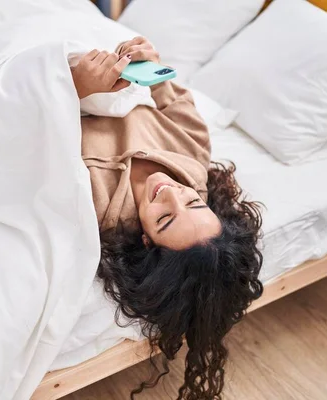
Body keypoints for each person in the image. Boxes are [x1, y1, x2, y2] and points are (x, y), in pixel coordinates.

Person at [71, 36, 264, 400]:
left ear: (146, 241)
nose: (171, 193)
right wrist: (151, 64)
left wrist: (76, 87)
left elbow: (32, 131)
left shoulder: (93, 200)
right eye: (194, 204)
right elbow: (171, 95)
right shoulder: (193, 158)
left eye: (164, 220)